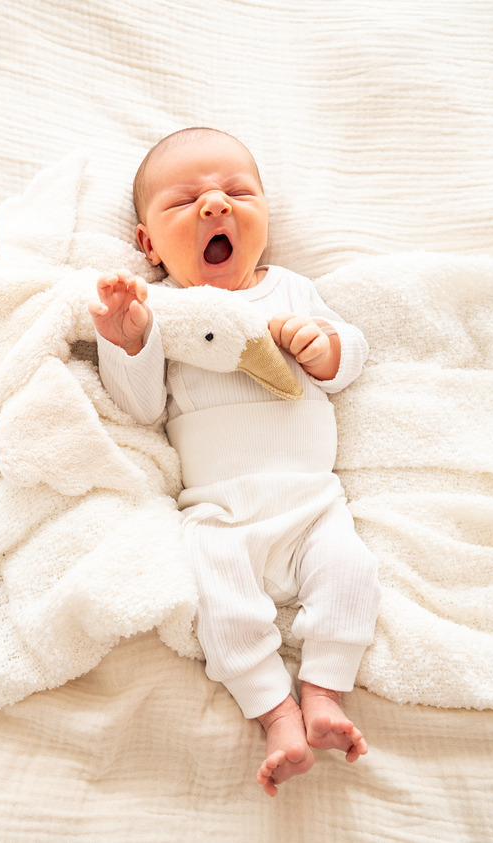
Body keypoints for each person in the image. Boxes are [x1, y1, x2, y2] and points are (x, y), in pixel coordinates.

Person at [89, 128, 381, 797]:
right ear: (148, 245)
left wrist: (326, 348)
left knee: (351, 571)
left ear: (265, 220)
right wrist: (126, 341)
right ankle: (275, 711)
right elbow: (136, 406)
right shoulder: (162, 310)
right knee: (217, 597)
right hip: (219, 512)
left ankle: (325, 691)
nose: (215, 206)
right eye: (185, 200)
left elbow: (349, 360)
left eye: (236, 193)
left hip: (314, 503)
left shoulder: (291, 290)